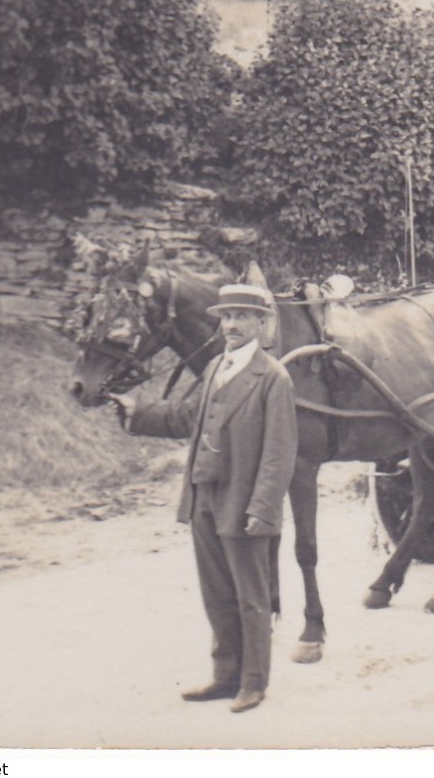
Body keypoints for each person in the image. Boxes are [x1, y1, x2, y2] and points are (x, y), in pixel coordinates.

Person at [110, 283, 299, 714]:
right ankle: (224, 674)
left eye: (241, 317)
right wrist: (137, 412)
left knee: (251, 595)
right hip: (204, 497)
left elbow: (279, 453)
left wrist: (263, 508)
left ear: (261, 324)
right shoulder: (215, 367)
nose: (230, 324)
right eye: (226, 316)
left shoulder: (273, 377)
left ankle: (253, 682)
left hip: (245, 501)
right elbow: (186, 417)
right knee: (216, 592)